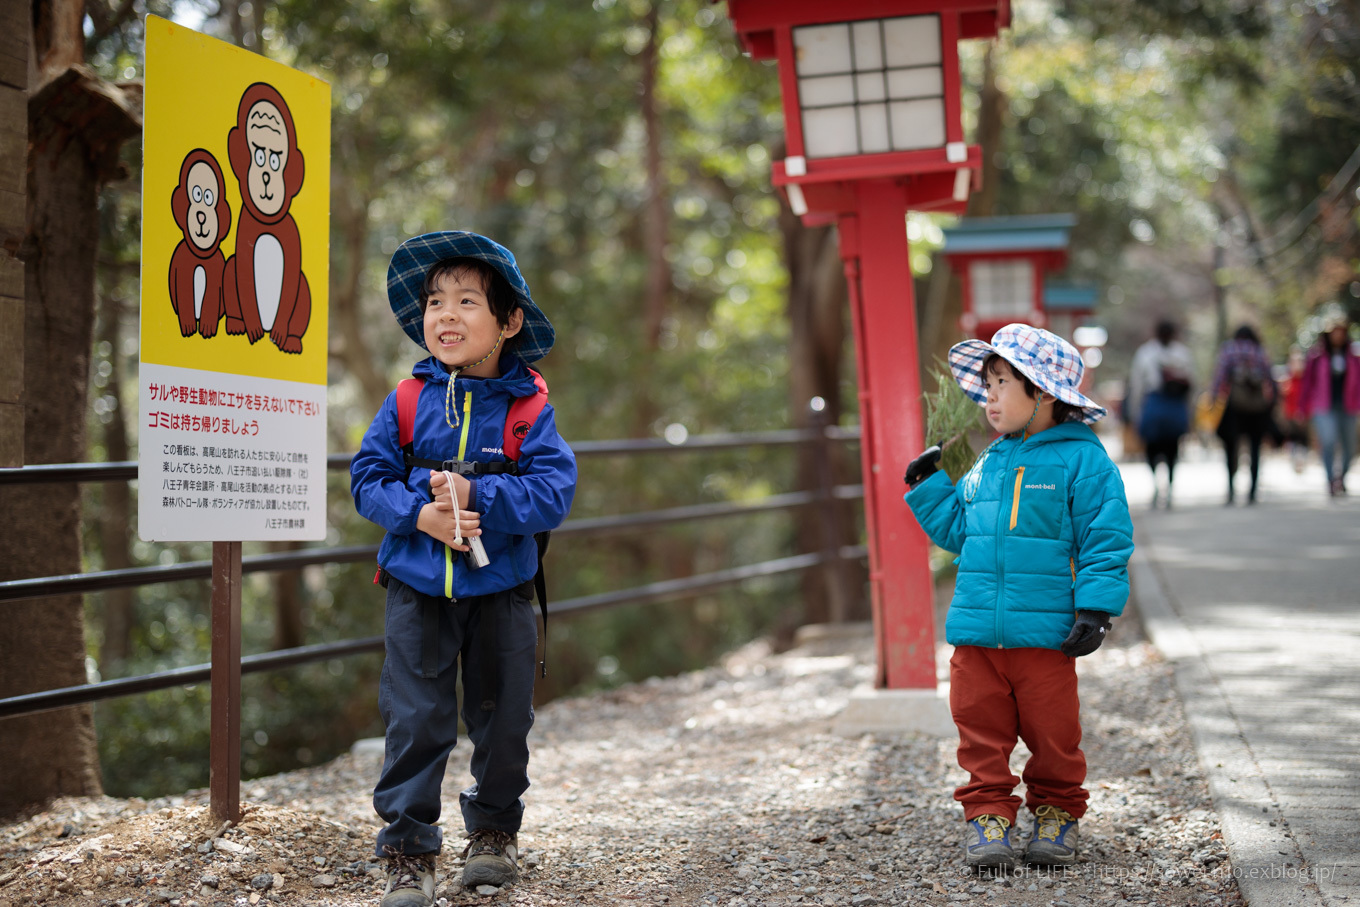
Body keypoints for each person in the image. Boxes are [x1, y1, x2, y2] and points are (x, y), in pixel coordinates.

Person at [351, 231, 577, 906]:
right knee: (415, 717)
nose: (446, 315)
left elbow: (553, 493)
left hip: (501, 590)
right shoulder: (406, 402)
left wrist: (479, 492)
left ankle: (493, 834)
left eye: (468, 301)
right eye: (435, 301)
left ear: (509, 322)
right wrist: (418, 514)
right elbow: (367, 478)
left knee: (503, 718)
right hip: (417, 588)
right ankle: (407, 847)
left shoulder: (528, 408)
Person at [902, 324, 1133, 871]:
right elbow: (962, 532)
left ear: (1045, 393)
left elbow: (1106, 536)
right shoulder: (990, 460)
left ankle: (1056, 812)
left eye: (1003, 383)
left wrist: (1095, 608)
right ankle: (988, 815)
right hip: (977, 628)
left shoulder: (1084, 462)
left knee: (1054, 732)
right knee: (978, 727)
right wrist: (929, 486)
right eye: (987, 385)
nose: (990, 398)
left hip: (1045, 633)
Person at [1127, 319, 1194, 507]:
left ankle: (1163, 486)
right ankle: (1163, 485)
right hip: (1167, 406)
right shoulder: (1180, 353)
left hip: (1159, 406)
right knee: (1163, 448)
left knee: (1161, 448)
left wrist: (1135, 412)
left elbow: (1137, 385)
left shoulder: (1146, 353)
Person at [1211, 325, 1277, 505]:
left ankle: (1231, 489)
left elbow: (1220, 377)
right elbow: (1270, 378)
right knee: (1255, 448)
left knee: (1231, 447)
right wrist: (1272, 402)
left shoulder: (1229, 349)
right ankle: (1253, 491)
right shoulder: (1259, 350)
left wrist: (1214, 397)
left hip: (1235, 406)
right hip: (1256, 408)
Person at [1298, 316, 1360, 496]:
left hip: (1348, 406)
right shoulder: (1317, 356)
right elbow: (1307, 383)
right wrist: (1302, 408)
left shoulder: (1353, 356)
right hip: (1324, 406)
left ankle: (1342, 477)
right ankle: (1330, 479)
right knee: (1329, 441)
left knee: (1349, 446)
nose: (1338, 336)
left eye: (1341, 331)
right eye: (1334, 332)